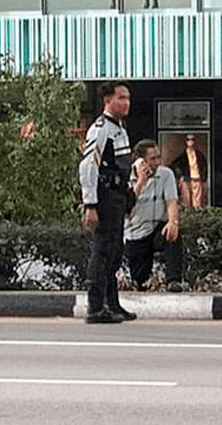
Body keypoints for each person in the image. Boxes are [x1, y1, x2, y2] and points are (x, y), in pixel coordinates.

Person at [79, 81, 136, 323]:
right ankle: (95, 307)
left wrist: (131, 193)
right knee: (102, 251)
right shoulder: (100, 128)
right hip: (104, 196)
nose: (126, 103)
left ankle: (111, 303)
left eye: (128, 98)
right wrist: (90, 204)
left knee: (115, 251)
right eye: (121, 98)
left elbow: (125, 165)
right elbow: (88, 166)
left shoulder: (120, 129)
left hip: (118, 196)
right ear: (107, 101)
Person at [125, 139, 183, 292]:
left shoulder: (166, 174)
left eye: (158, 157)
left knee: (172, 234)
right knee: (140, 280)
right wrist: (141, 182)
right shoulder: (126, 178)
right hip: (135, 233)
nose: (157, 162)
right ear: (140, 160)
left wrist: (173, 222)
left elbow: (171, 202)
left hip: (157, 227)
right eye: (152, 159)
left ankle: (174, 280)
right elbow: (126, 206)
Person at [170, 133, 208, 209]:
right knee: (187, 201)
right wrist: (181, 175)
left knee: (198, 203)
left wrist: (203, 177)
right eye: (188, 140)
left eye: (192, 139)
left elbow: (204, 165)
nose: (191, 142)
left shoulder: (199, 154)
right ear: (186, 142)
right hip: (188, 180)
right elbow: (174, 165)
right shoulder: (182, 156)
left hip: (197, 179)